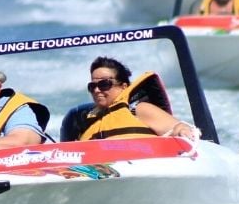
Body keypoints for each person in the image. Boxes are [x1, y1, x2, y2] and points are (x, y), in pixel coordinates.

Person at [59, 56, 198, 141]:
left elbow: (177, 127)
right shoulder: (83, 121)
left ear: (124, 86)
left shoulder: (139, 109)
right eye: (92, 86)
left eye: (104, 84)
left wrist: (182, 130)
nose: (96, 90)